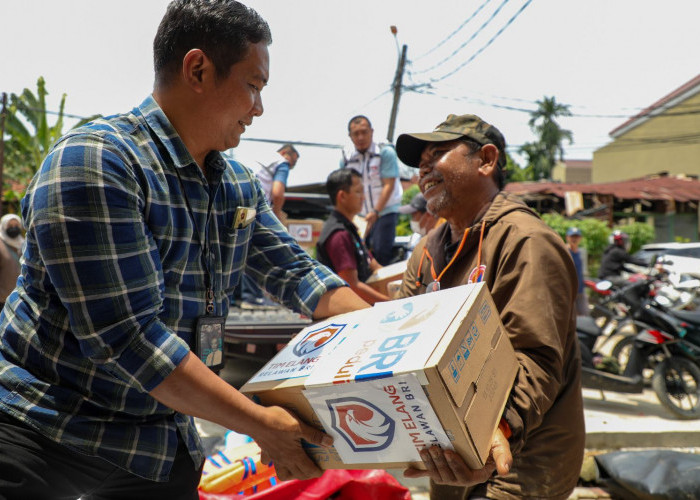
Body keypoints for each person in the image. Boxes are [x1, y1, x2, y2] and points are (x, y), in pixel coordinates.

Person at [0, 2, 369, 499]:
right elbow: (132, 340)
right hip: (41, 430)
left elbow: (299, 275)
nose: (259, 108)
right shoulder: (96, 162)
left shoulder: (236, 184)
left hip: (154, 444)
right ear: (198, 69)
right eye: (254, 86)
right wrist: (261, 423)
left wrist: (393, 343)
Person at [395, 114, 584, 499]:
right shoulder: (427, 250)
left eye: (439, 153)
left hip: (518, 458)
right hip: (453, 450)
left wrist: (496, 429)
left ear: (486, 159)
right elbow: (401, 338)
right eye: (420, 161)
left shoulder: (526, 240)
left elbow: (535, 356)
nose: (423, 168)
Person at [316, 169, 389, 305]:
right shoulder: (338, 235)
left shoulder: (350, 229)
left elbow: (374, 265)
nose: (363, 197)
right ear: (342, 196)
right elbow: (352, 286)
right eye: (358, 191)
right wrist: (391, 302)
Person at [341, 115, 402, 265]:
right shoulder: (347, 159)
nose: (360, 137)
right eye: (356, 134)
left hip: (384, 212)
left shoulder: (385, 152)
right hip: (360, 216)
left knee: (381, 251)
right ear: (350, 136)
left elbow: (389, 184)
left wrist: (375, 212)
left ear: (372, 132)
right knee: (360, 255)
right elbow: (345, 189)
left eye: (364, 132)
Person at [251, 143, 299, 222]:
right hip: (257, 206)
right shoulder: (282, 163)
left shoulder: (262, 156)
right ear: (283, 153)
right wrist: (276, 215)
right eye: (293, 161)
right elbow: (277, 194)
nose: (291, 166)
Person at [0, 214, 23, 307]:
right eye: (10, 226)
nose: (13, 228)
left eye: (16, 225)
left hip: (20, 299)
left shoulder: (23, 243)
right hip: (2, 300)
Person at [566, 226, 590, 316]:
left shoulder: (581, 252)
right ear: (567, 237)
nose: (574, 239)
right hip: (569, 291)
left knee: (585, 314)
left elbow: (583, 271)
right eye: (572, 236)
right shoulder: (565, 251)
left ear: (580, 238)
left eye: (576, 237)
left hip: (580, 290)